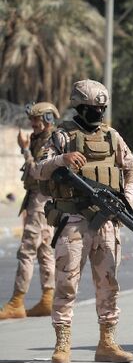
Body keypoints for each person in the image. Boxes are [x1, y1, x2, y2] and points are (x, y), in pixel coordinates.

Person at [33, 79, 133, 363]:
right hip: (74, 221)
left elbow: (132, 168)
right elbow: (38, 170)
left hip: (106, 220)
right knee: (67, 282)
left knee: (109, 283)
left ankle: (107, 343)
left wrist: (125, 200)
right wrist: (61, 159)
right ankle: (62, 343)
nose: (98, 113)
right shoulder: (61, 137)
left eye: (101, 108)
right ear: (79, 107)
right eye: (92, 108)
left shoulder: (112, 137)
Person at [0, 103, 60, 319]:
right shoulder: (41, 139)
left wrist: (25, 150)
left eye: (37, 120)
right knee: (45, 250)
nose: (32, 124)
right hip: (40, 200)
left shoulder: (51, 142)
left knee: (27, 250)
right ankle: (47, 299)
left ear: (48, 120)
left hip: (41, 201)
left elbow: (37, 172)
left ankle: (17, 301)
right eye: (32, 120)